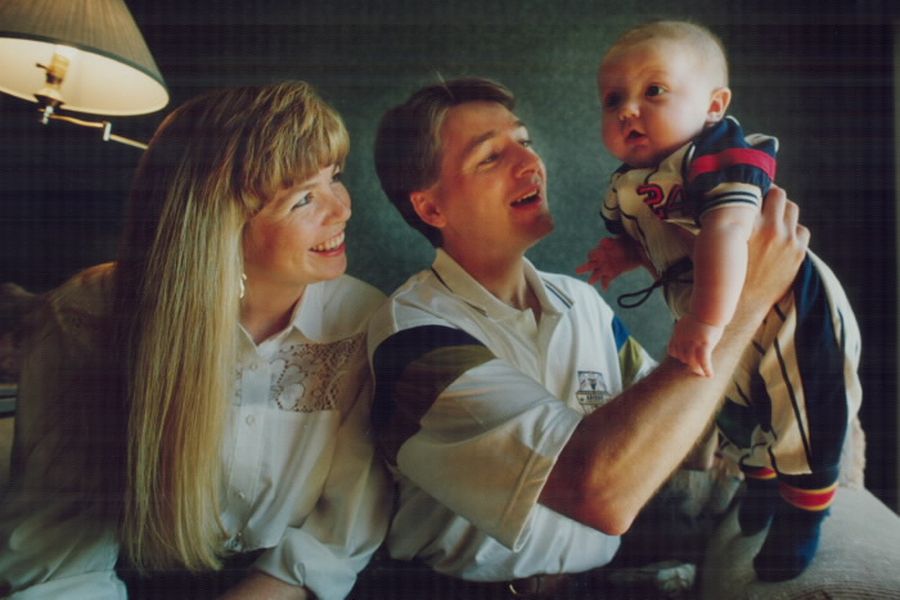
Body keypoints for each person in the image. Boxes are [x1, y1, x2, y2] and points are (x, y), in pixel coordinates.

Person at [365, 76, 808, 598]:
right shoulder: (412, 336)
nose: (531, 164)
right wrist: (742, 305)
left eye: (524, 142)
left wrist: (795, 419)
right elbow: (602, 494)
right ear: (432, 209)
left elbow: (672, 430)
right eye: (489, 157)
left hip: (595, 586)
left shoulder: (582, 303)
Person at [0, 82, 391, 599]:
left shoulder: (364, 319)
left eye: (334, 179)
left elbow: (338, 530)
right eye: (304, 199)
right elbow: (56, 555)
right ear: (217, 226)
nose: (342, 209)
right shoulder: (86, 318)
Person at [577, 20, 862, 580]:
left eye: (653, 91)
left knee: (799, 401)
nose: (629, 110)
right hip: (708, 307)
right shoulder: (626, 185)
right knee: (735, 400)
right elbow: (650, 235)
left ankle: (805, 510)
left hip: (786, 302)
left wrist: (708, 320)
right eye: (614, 99)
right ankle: (759, 481)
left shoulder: (718, 153)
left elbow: (728, 231)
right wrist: (622, 255)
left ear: (713, 104)